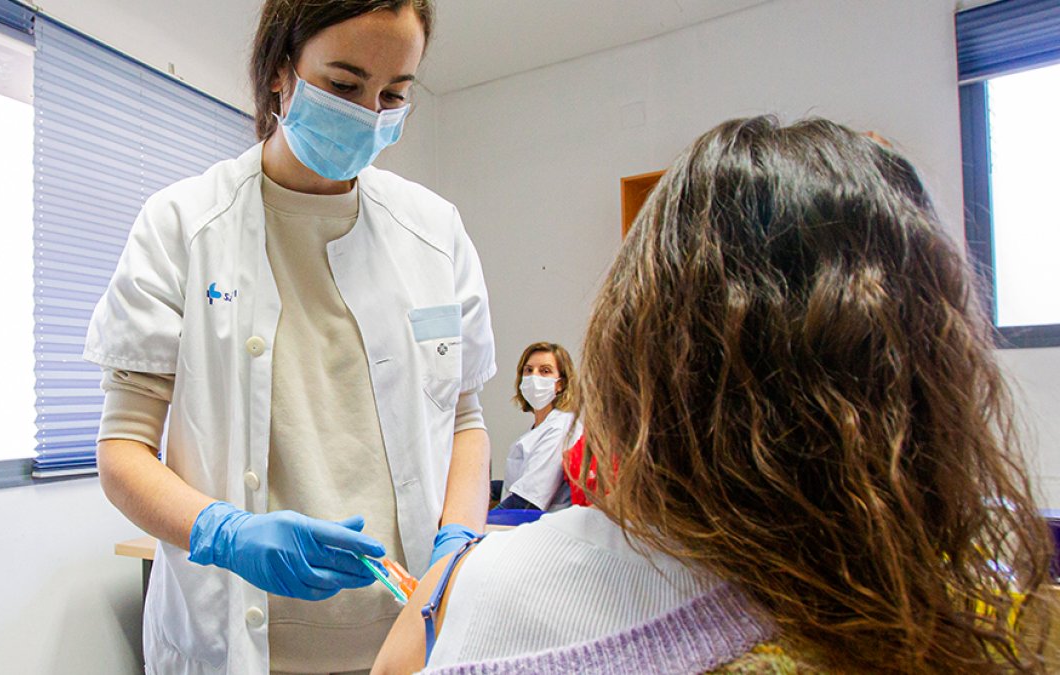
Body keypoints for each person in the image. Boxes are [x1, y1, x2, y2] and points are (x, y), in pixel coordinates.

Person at [371, 116, 1054, 673]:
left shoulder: (511, 592)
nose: (539, 377)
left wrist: (459, 568)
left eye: (548, 367)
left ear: (641, 342)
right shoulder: (971, 590)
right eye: (534, 368)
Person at [84, 1, 497, 672]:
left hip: (409, 640)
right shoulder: (183, 225)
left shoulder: (435, 231)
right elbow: (123, 452)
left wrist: (456, 541)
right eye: (343, 84)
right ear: (281, 72)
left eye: (393, 94)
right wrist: (225, 533)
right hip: (234, 644)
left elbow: (467, 418)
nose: (369, 112)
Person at [493, 342, 582, 511]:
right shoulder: (542, 427)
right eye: (528, 370)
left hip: (546, 527)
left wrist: (481, 524)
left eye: (545, 371)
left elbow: (528, 501)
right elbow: (523, 481)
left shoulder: (560, 428)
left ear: (560, 384)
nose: (534, 377)